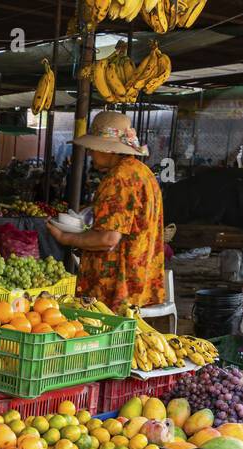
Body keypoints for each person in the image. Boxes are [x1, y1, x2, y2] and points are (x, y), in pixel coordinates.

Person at [46, 111, 165, 310]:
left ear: (109, 150)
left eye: (93, 148)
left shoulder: (118, 179)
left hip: (114, 289)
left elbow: (108, 239)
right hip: (139, 281)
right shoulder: (143, 173)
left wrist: (65, 238)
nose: (90, 153)